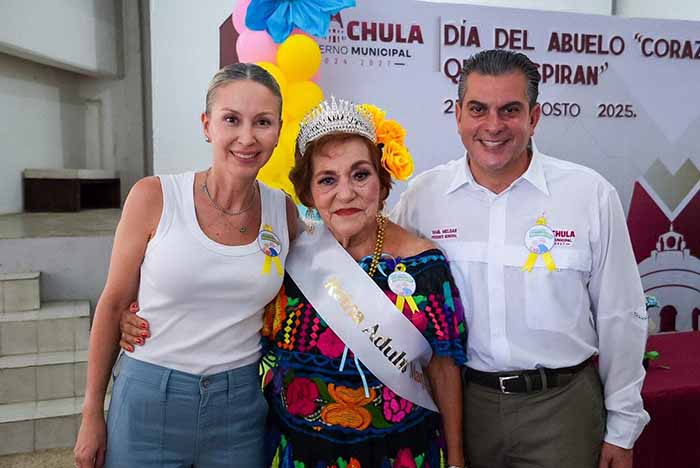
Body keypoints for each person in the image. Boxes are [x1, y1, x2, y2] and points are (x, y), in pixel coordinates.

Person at [121, 97, 467, 468]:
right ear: (308, 193)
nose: (346, 193)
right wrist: (142, 318)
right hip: (300, 453)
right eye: (327, 180)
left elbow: (444, 370)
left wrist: (457, 458)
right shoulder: (290, 255)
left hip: (399, 453)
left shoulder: (424, 266)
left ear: (382, 183)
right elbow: (229, 312)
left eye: (360, 175)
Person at [392, 49, 650, 468]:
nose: (493, 125)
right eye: (478, 109)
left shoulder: (589, 195)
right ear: (458, 115)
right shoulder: (422, 198)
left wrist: (623, 428)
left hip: (562, 409)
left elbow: (621, 315)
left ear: (534, 117)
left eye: (510, 110)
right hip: (460, 407)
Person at [74, 63, 298, 468]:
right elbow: (112, 304)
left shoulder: (283, 212)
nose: (247, 137)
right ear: (207, 125)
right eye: (231, 119)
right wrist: (92, 413)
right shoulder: (154, 197)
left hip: (240, 407)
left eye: (263, 122)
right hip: (148, 396)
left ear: (278, 130)